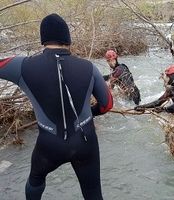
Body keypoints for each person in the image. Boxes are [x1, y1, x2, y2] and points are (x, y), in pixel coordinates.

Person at [0, 13, 113, 200]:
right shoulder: (89, 67)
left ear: (43, 40)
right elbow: (107, 104)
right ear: (68, 40)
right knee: (93, 194)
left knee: (35, 181)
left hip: (49, 145)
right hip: (85, 142)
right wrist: (90, 114)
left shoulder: (22, 66)